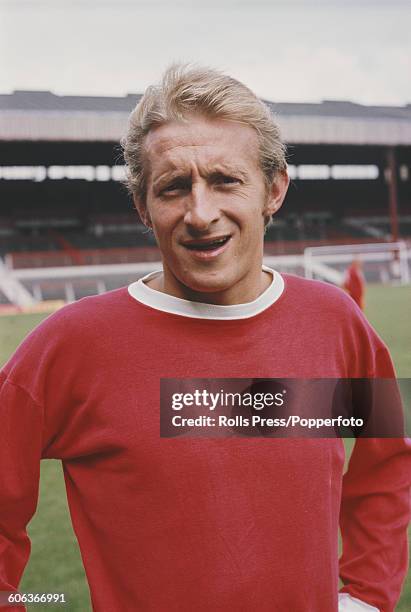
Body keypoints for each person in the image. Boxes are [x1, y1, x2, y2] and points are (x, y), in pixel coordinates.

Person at [0, 65, 410, 612]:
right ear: (143, 207)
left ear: (275, 189)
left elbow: (388, 462)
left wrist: (366, 594)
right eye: (174, 187)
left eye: (225, 180)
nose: (200, 212)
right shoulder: (70, 346)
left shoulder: (333, 322)